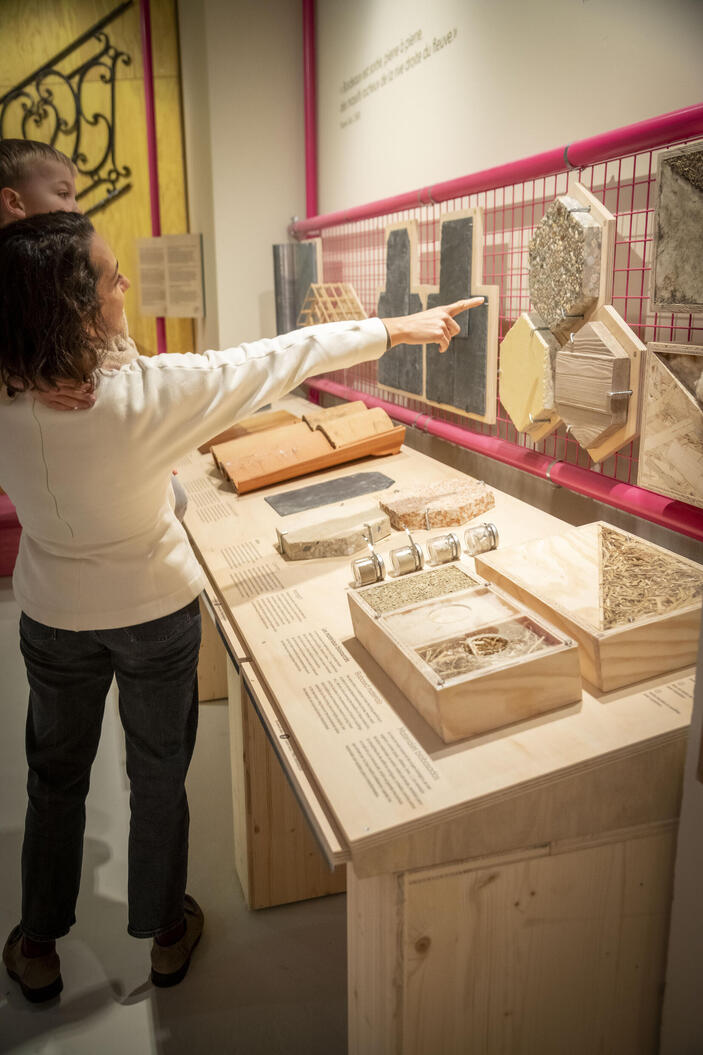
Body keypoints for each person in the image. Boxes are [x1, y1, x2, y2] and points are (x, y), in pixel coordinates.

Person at [0, 210, 482, 1001]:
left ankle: (38, 947)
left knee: (53, 779)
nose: (125, 285)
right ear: (77, 309)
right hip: (153, 611)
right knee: (158, 774)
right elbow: (279, 356)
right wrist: (394, 328)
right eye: (111, 279)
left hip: (54, 618)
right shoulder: (149, 395)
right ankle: (165, 936)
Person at [0, 139, 187, 519]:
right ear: (13, 202)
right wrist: (23, 379)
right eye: (63, 194)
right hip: (58, 458)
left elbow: (118, 345)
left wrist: (149, 433)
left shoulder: (78, 260)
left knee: (174, 500)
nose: (76, 207)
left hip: (116, 428)